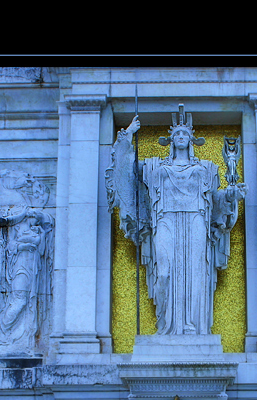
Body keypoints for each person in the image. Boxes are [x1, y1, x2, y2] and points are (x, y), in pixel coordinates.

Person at [106, 104, 248, 336]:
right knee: (164, 271)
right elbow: (124, 174)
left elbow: (214, 200)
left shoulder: (206, 168)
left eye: (185, 134)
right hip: (165, 220)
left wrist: (231, 194)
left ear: (192, 140)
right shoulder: (154, 167)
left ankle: (193, 326)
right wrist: (128, 135)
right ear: (170, 140)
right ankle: (166, 325)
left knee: (195, 273)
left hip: (196, 220)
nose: (181, 137)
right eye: (177, 134)